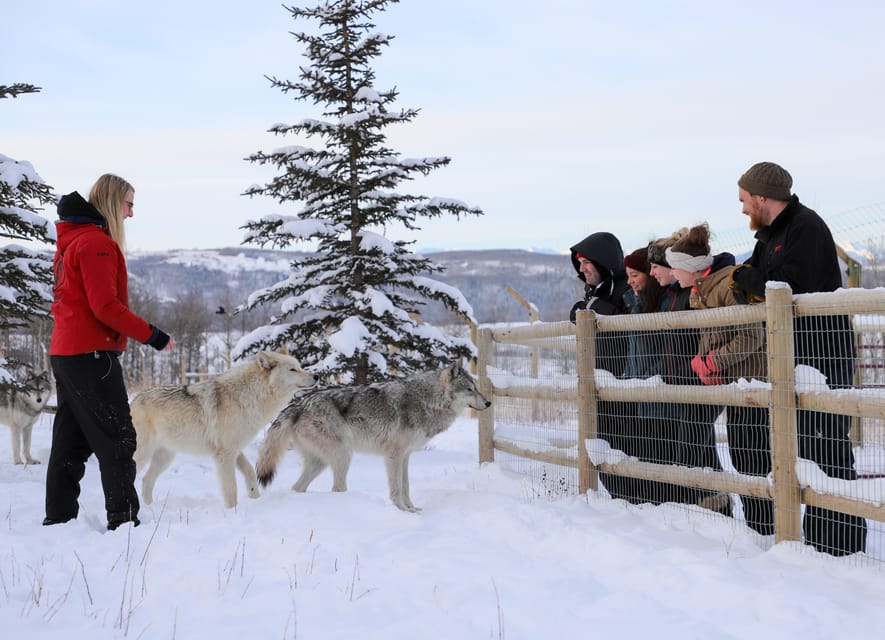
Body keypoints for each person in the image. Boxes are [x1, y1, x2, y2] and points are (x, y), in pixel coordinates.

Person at [730, 161, 867, 556]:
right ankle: (817, 544)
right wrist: (747, 281)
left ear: (760, 196)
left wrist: (747, 280)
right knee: (801, 447)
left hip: (823, 353)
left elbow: (783, 285)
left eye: (743, 200)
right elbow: (751, 281)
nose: (741, 210)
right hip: (791, 357)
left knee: (827, 447)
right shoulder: (769, 234)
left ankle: (841, 546)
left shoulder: (806, 227)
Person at [44, 174, 175, 531]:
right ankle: (124, 521)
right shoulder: (96, 244)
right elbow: (106, 307)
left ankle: (58, 520)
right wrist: (154, 336)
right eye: (129, 204)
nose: (131, 213)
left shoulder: (72, 241)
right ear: (113, 202)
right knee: (119, 438)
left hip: (67, 353)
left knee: (70, 441)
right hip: (92, 355)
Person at [667, 224, 767, 527]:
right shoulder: (703, 290)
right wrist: (706, 362)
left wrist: (711, 363)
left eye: (675, 269)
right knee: (742, 456)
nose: (672, 275)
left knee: (753, 457)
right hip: (734, 383)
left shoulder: (725, 287)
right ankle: (756, 529)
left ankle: (765, 528)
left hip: (753, 383)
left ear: (692, 269)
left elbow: (751, 336)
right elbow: (713, 336)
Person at [647, 230, 731, 516]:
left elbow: (708, 338)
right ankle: (715, 509)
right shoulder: (671, 296)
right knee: (701, 448)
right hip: (683, 382)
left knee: (691, 449)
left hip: (703, 380)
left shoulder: (695, 295)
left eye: (657, 266)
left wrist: (701, 365)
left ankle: (697, 510)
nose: (651, 272)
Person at [568, 232, 631, 501]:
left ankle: (633, 500)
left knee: (622, 444)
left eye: (586, 262)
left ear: (603, 261)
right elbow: (582, 313)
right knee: (599, 443)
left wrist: (591, 308)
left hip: (625, 382)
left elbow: (626, 321)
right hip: (598, 381)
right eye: (579, 263)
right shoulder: (597, 291)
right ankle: (620, 500)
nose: (581, 269)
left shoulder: (624, 290)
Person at [620, 247, 681, 505]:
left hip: (661, 398)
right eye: (628, 276)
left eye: (635, 274)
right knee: (646, 460)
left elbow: (654, 348)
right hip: (641, 396)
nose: (630, 281)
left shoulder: (662, 305)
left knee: (662, 461)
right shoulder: (640, 304)